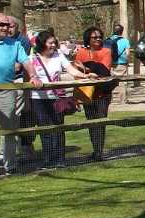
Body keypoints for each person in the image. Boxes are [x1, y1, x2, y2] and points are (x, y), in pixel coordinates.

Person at [28, 29, 94, 167]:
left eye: (54, 43)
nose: (53, 45)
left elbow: (70, 70)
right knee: (44, 129)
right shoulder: (32, 59)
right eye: (50, 43)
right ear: (42, 43)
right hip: (38, 98)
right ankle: (48, 158)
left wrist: (84, 75)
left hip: (57, 97)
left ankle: (59, 159)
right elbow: (27, 76)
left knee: (58, 128)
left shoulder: (59, 56)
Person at [0, 13, 34, 175]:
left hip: (7, 91)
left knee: (9, 130)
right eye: (1, 24)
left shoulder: (15, 44)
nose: (6, 27)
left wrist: (33, 76)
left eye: (7, 25)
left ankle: (10, 166)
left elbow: (26, 62)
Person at [74, 27, 114, 160]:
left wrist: (86, 67)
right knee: (91, 122)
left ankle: (99, 151)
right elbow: (77, 73)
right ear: (88, 39)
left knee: (100, 121)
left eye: (99, 37)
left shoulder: (106, 51)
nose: (98, 39)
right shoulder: (81, 52)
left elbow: (104, 71)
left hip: (103, 93)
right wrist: (89, 70)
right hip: (87, 93)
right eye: (94, 37)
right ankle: (95, 149)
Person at [104, 23, 131, 105]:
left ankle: (109, 100)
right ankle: (123, 101)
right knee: (122, 82)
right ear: (121, 32)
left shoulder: (107, 40)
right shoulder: (125, 41)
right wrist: (127, 61)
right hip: (121, 63)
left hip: (109, 63)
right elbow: (127, 53)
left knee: (109, 82)